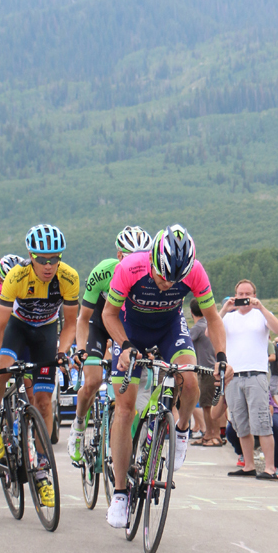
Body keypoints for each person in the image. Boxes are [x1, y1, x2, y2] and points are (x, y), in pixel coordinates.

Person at [102, 225, 230, 528]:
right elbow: (108, 314)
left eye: (174, 279)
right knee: (124, 409)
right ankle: (120, 494)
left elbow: (213, 319)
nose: (166, 283)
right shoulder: (130, 267)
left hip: (170, 329)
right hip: (131, 331)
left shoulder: (195, 272)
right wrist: (125, 345)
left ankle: (182, 429)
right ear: (152, 261)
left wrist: (223, 357)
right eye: (162, 276)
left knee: (189, 379)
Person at [0, 225, 79, 506]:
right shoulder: (17, 276)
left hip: (46, 333)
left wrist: (62, 352)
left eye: (54, 259)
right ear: (31, 256)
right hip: (17, 329)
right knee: (1, 371)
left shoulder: (69, 277)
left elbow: (70, 324)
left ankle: (42, 472)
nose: (49, 266)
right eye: (42, 259)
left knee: (44, 403)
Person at [67, 226, 152, 464]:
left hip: (125, 328)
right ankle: (80, 424)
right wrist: (81, 350)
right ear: (118, 256)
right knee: (93, 380)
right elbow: (83, 319)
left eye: (142, 257)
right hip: (98, 322)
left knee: (130, 395)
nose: (136, 263)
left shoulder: (149, 279)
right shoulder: (103, 272)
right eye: (129, 257)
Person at [221, 279, 278, 480]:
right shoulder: (229, 318)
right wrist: (224, 309)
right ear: (235, 296)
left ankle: (270, 467)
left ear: (254, 295)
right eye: (240, 294)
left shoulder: (261, 315)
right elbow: (208, 332)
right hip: (233, 375)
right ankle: (248, 465)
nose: (244, 297)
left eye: (248, 293)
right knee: (240, 423)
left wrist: (262, 308)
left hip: (256, 374)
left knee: (262, 422)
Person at [189, 297, 225, 446]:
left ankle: (214, 435)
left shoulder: (198, 327)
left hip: (207, 370)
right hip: (211, 368)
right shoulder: (208, 325)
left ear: (192, 312)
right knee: (206, 404)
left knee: (208, 405)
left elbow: (185, 342)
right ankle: (209, 434)